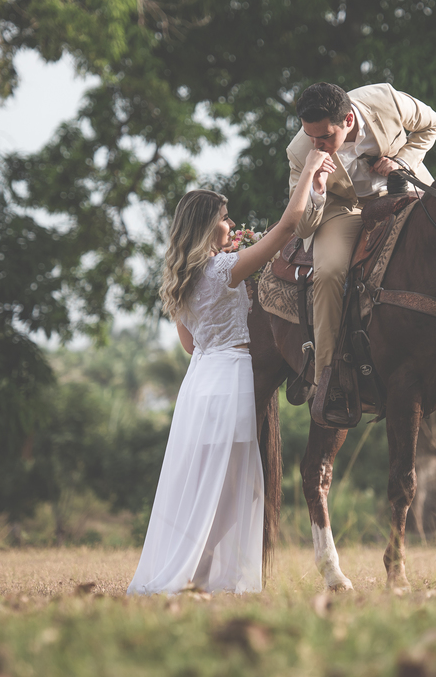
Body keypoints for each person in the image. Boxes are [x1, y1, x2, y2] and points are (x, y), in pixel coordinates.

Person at [127, 147, 333, 595]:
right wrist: (312, 170)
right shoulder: (223, 270)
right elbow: (286, 228)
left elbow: (189, 345)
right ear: (207, 225)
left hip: (200, 382)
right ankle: (192, 574)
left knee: (208, 484)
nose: (230, 223)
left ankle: (193, 573)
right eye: (224, 217)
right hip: (231, 377)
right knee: (234, 488)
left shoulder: (184, 276)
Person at [287, 82, 436, 424]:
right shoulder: (300, 151)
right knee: (328, 273)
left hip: (399, 187)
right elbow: (301, 227)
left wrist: (401, 161)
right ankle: (328, 380)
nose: (318, 145)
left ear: (348, 119)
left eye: (325, 137)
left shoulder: (386, 99)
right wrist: (315, 187)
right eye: (311, 136)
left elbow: (434, 123)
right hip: (341, 209)